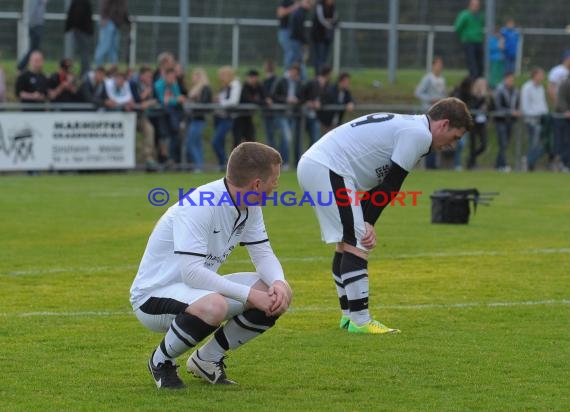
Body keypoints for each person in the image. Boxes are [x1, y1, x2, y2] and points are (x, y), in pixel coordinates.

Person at [297, 98, 473, 334]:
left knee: (346, 242)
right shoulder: (419, 135)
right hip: (328, 167)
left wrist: (367, 219)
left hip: (320, 164)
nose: (452, 145)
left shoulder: (412, 127)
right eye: (455, 137)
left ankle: (349, 317)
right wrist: (368, 221)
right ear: (443, 124)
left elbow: (379, 183)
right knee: (357, 242)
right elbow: (392, 183)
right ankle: (360, 321)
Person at [130, 142, 292, 389]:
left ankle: (206, 359)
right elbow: (192, 273)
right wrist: (250, 295)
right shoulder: (199, 205)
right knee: (215, 305)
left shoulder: (250, 204)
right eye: (275, 180)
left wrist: (279, 283)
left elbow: (262, 254)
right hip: (152, 297)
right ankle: (160, 361)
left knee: (275, 293)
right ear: (257, 184)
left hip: (194, 292)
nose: (277, 185)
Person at [415, 56, 447, 169]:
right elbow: (418, 92)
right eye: (438, 64)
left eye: (441, 64)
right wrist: (430, 99)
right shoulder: (428, 78)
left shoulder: (442, 79)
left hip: (439, 113)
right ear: (433, 65)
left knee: (436, 137)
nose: (440, 67)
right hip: (428, 112)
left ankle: (433, 165)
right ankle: (428, 164)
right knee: (428, 137)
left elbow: (443, 94)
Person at [154, 67, 186, 167]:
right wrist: (175, 100)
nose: (173, 79)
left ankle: (172, 160)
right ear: (166, 76)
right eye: (171, 77)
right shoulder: (159, 85)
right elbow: (163, 101)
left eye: (174, 77)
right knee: (163, 137)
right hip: (160, 115)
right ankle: (163, 160)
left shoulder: (174, 84)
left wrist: (174, 99)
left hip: (172, 116)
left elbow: (179, 98)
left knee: (175, 136)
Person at [212, 66, 242, 171]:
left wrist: (220, 102)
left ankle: (225, 163)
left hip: (227, 118)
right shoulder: (226, 86)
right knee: (220, 142)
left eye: (222, 75)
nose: (220, 78)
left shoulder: (234, 85)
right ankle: (223, 164)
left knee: (216, 141)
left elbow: (233, 102)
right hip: (220, 117)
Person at [130, 66, 159, 171]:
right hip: (129, 116)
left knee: (149, 130)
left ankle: (148, 158)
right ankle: (128, 159)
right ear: (141, 76)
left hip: (141, 116)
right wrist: (145, 95)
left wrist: (147, 102)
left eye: (151, 77)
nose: (150, 79)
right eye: (148, 76)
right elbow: (137, 101)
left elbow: (156, 100)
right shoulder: (133, 84)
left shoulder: (150, 86)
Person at [520, 68, 549, 171]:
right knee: (534, 143)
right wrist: (534, 115)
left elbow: (543, 103)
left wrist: (545, 114)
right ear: (535, 75)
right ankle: (528, 161)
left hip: (542, 120)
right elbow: (525, 106)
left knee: (543, 144)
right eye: (541, 75)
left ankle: (528, 160)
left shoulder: (541, 88)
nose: (542, 77)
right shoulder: (527, 87)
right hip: (531, 120)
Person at [185, 68, 212, 173]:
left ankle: (198, 165)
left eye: (194, 76)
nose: (192, 78)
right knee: (196, 143)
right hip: (195, 119)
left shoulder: (204, 88)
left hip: (198, 119)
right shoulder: (197, 88)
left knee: (191, 142)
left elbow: (204, 104)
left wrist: (194, 101)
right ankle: (199, 165)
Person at [493, 72, 521, 172]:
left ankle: (498, 164)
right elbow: (498, 106)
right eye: (509, 79)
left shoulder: (515, 91)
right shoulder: (499, 90)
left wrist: (516, 111)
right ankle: (503, 164)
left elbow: (516, 104)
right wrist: (510, 112)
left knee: (505, 143)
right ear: (505, 79)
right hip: (500, 120)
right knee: (503, 143)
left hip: (510, 121)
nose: (511, 81)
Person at [454, 0, 484, 79]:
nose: (476, 7)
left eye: (477, 5)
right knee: (472, 64)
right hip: (469, 42)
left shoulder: (479, 15)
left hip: (478, 41)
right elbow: (458, 27)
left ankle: (479, 81)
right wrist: (464, 36)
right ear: (470, 5)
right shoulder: (465, 15)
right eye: (474, 5)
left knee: (480, 64)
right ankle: (473, 80)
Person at [93, 0, 130, 66]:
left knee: (114, 48)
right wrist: (104, 18)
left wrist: (128, 22)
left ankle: (113, 69)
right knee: (104, 45)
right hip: (108, 22)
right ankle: (98, 67)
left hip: (116, 24)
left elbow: (124, 10)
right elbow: (105, 4)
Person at [64, 0, 94, 77]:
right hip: (81, 30)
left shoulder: (78, 2)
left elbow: (72, 14)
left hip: (79, 30)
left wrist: (69, 27)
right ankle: (83, 71)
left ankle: (84, 71)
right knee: (83, 52)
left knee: (83, 52)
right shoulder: (82, 2)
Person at [17, 0, 48, 72]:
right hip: (35, 25)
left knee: (34, 48)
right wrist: (33, 24)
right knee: (34, 49)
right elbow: (32, 11)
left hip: (37, 24)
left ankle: (22, 66)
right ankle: (21, 66)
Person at [467, 77, 491, 169]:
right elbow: (473, 107)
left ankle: (471, 158)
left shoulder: (487, 96)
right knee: (473, 144)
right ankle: (472, 163)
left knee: (484, 144)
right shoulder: (473, 96)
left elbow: (491, 107)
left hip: (482, 122)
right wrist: (481, 98)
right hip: (474, 122)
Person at [311, 0, 338, 77]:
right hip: (318, 37)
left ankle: (323, 75)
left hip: (327, 37)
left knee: (324, 57)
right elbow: (320, 19)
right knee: (319, 57)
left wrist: (330, 22)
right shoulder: (319, 6)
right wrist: (329, 23)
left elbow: (335, 18)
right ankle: (318, 75)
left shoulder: (333, 7)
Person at [289, 0, 313, 80]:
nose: (310, 6)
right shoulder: (300, 13)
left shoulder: (300, 12)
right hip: (296, 40)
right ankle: (303, 78)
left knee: (295, 60)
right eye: (308, 3)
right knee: (298, 61)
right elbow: (299, 29)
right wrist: (305, 41)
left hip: (295, 39)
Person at [553, 75, 570, 172]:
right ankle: (563, 163)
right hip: (561, 117)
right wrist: (566, 111)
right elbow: (561, 101)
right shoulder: (565, 84)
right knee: (563, 141)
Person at [276, 0, 298, 70]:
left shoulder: (298, 2)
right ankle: (287, 73)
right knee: (290, 52)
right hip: (285, 31)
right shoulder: (285, 2)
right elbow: (280, 13)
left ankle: (295, 75)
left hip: (294, 32)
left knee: (295, 54)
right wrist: (293, 8)